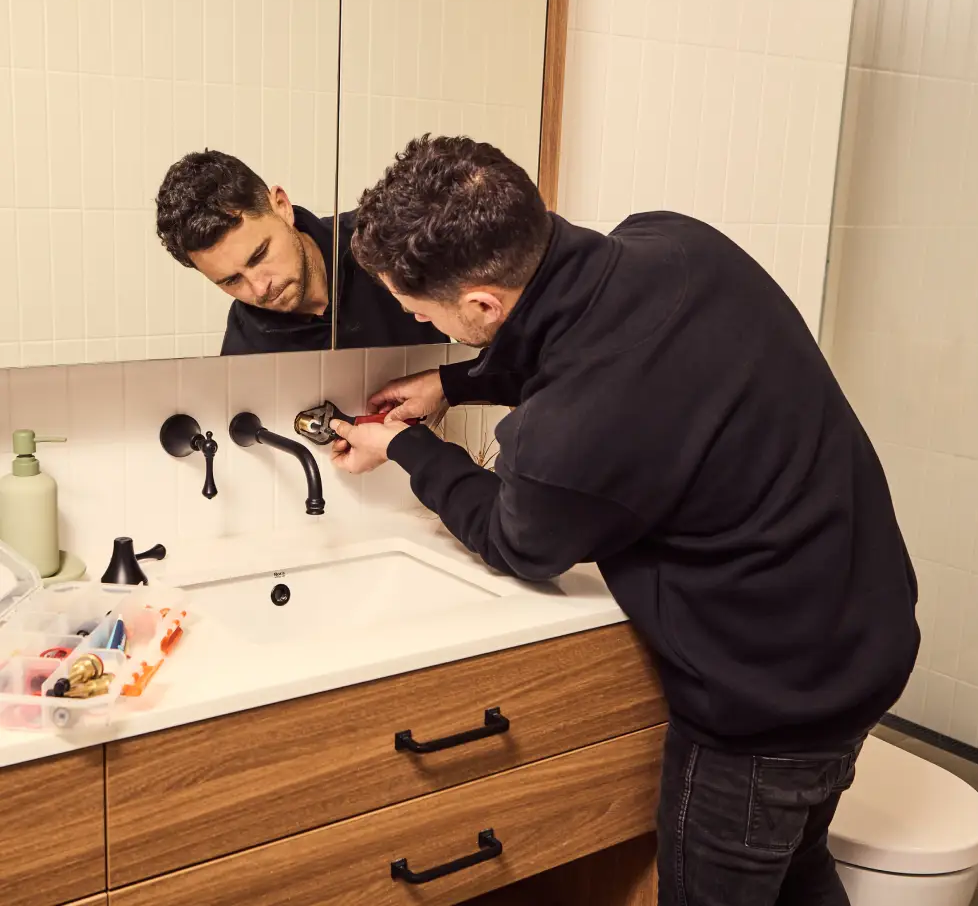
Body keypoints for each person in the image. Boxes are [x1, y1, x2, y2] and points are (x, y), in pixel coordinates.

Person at [327, 134, 919, 906]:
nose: (411, 315)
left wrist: (411, 448)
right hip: (864, 638)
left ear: (479, 303)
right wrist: (453, 381)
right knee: (799, 873)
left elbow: (516, 539)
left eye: (417, 309)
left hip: (769, 703)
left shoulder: (568, 432)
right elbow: (579, 334)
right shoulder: (675, 242)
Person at [155, 150, 449, 353]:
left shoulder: (388, 239)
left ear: (281, 206)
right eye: (232, 281)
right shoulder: (244, 351)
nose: (260, 288)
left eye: (259, 255)